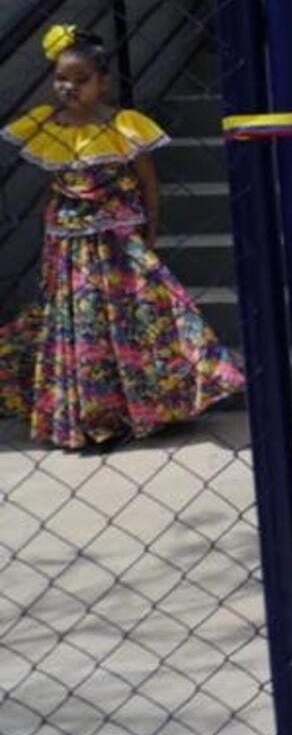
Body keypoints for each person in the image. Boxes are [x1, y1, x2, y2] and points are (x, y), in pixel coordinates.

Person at [0, 27, 243, 451]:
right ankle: (91, 415)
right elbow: (55, 191)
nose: (68, 87)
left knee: (138, 319)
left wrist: (150, 230)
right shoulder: (47, 126)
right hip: (70, 245)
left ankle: (147, 405)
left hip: (118, 243)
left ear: (103, 80)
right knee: (82, 326)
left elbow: (147, 184)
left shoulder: (123, 126)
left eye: (80, 79)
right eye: (62, 78)